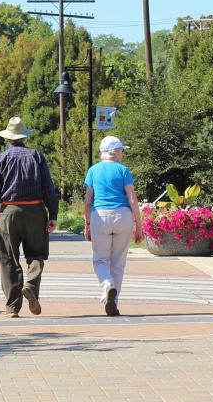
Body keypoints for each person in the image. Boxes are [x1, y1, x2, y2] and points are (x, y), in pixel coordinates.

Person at [0, 116, 57, 318]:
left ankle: (12, 307)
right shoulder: (38, 157)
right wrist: (53, 214)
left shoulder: (0, 159)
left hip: (9, 212)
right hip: (35, 211)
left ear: (8, 139)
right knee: (37, 254)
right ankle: (31, 286)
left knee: (9, 258)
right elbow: (49, 189)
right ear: (24, 137)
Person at [84, 135, 143, 316]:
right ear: (115, 152)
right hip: (123, 216)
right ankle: (113, 303)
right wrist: (138, 225)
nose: (122, 154)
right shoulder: (123, 170)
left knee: (100, 260)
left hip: (99, 215)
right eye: (121, 151)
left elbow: (87, 200)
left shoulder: (93, 170)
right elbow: (132, 199)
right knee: (118, 262)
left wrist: (87, 224)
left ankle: (107, 284)